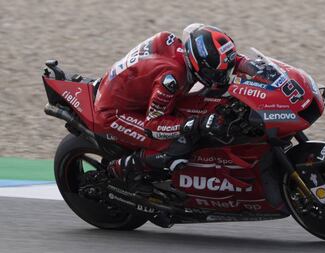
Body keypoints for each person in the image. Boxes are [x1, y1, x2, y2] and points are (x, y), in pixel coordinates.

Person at [94, 23, 278, 193]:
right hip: (115, 112)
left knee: (215, 105)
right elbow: (153, 125)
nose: (223, 77)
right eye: (216, 73)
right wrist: (195, 124)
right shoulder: (171, 79)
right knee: (179, 145)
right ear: (197, 64)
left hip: (140, 95)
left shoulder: (192, 54)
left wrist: (257, 70)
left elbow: (230, 60)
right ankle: (122, 171)